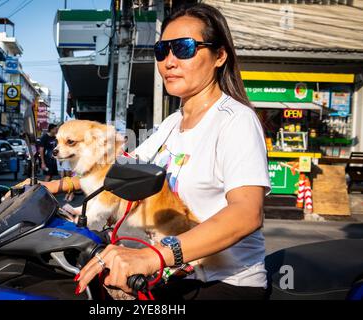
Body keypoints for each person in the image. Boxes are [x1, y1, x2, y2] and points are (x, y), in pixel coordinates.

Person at [75, 4, 271, 300]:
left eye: (183, 48)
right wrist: (55, 186)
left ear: (219, 56)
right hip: (175, 272)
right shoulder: (172, 123)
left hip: (225, 282)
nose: (169, 61)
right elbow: (123, 171)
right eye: (162, 50)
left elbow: (246, 213)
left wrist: (154, 257)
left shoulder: (234, 120)